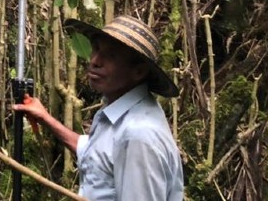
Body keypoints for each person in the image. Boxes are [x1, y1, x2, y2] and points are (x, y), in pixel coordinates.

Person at [13, 14, 184, 201]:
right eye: (96, 48)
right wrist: (44, 118)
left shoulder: (138, 134)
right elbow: (95, 153)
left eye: (110, 56)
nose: (94, 60)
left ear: (139, 71)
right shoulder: (121, 113)